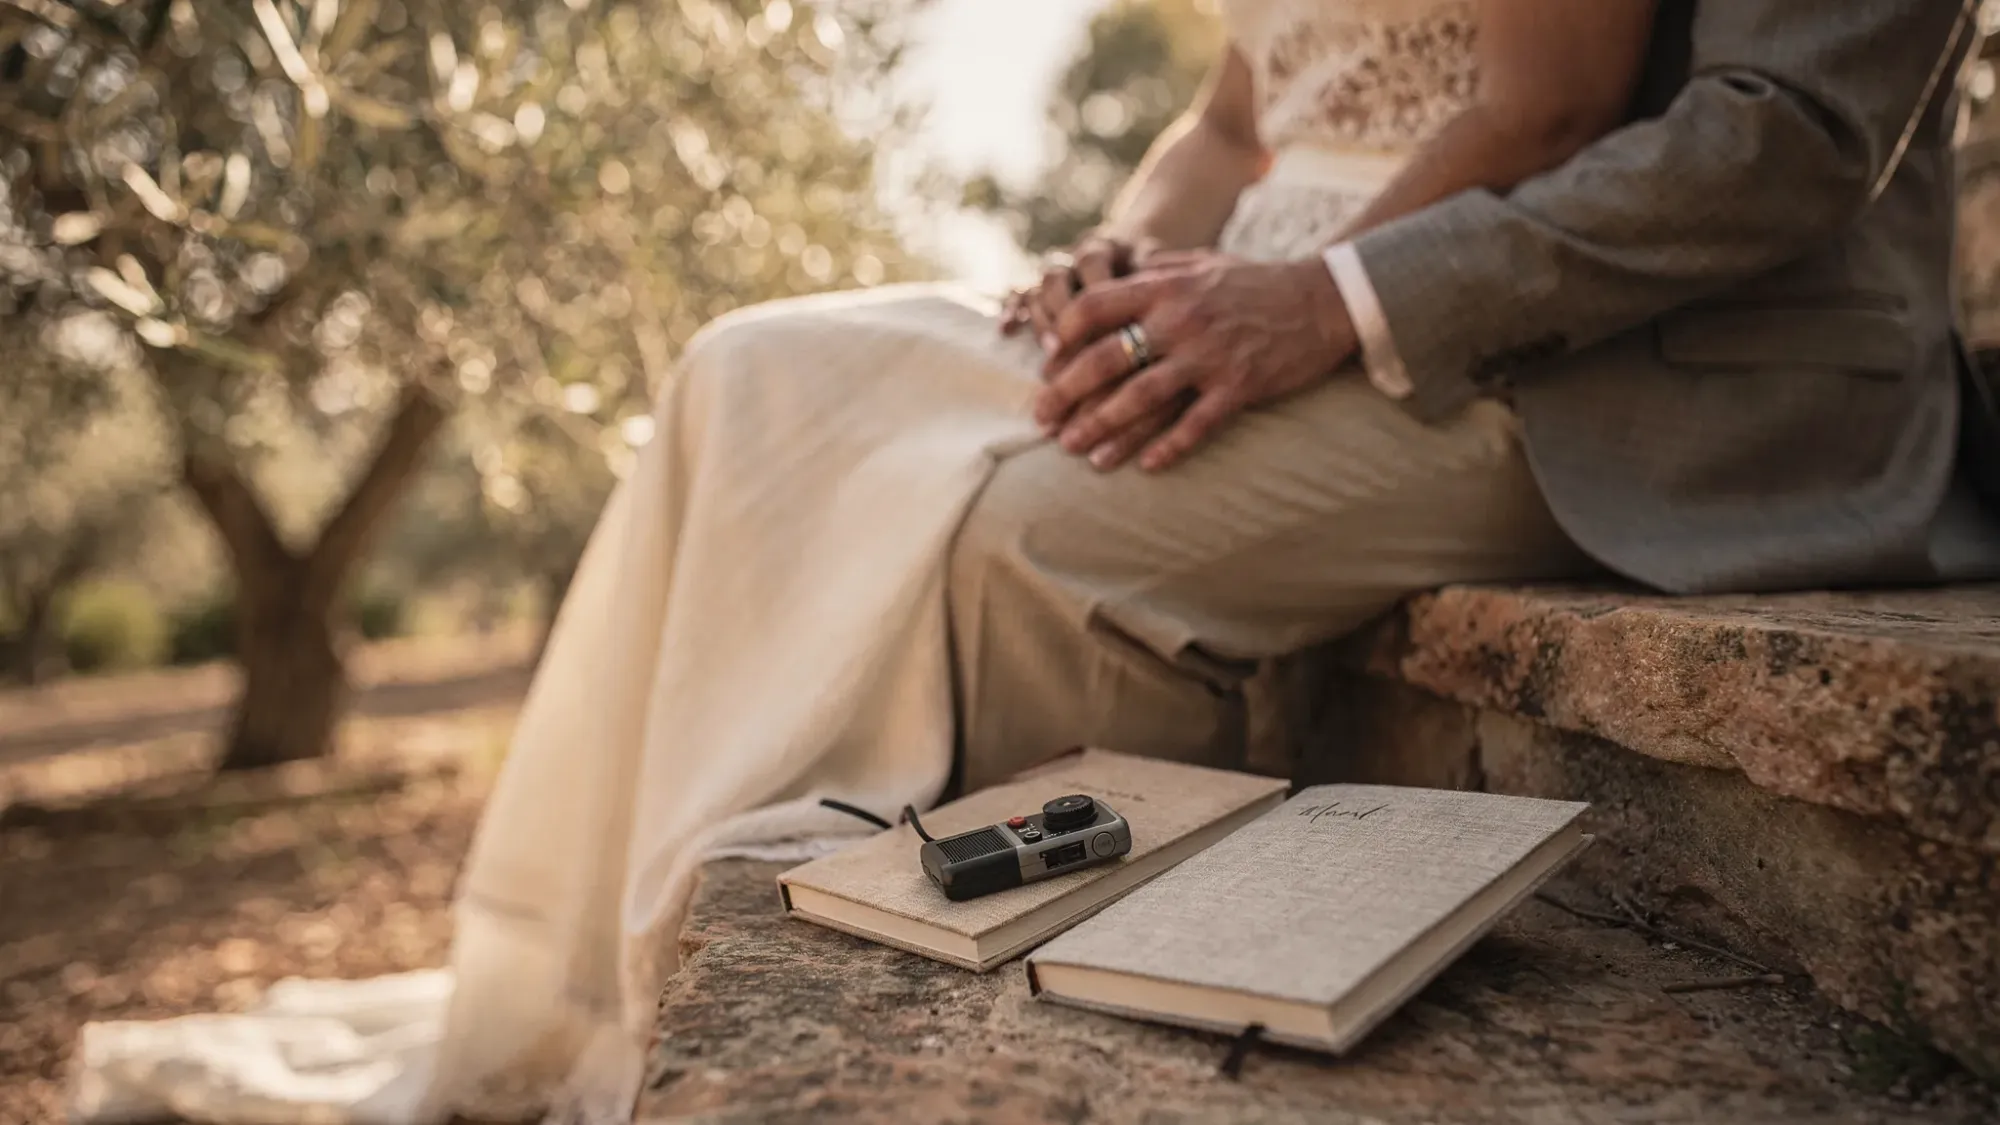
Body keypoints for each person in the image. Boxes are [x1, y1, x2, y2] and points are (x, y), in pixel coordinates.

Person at [70, 2, 1996, 1124]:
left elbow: (1595, 108)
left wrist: (1298, 303)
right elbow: (1232, 110)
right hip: (1257, 270)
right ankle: (598, 980)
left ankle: (1004, 973)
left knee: (1017, 528)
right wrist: (1114, 259)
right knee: (751, 371)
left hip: (1537, 323)